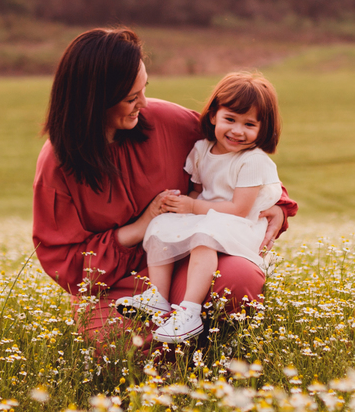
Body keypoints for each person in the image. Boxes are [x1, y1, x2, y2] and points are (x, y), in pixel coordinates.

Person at [32, 28, 297, 343]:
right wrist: (142, 225)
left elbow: (234, 158)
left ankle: (201, 333)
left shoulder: (167, 120)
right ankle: (188, 342)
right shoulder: (57, 165)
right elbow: (65, 262)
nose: (144, 103)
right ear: (95, 100)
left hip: (184, 262)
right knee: (126, 347)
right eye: (132, 97)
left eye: (144, 89)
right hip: (116, 284)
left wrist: (278, 203)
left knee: (237, 280)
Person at [116, 70, 284, 343]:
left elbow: (240, 209)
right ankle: (157, 296)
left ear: (264, 129)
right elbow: (198, 190)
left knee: (204, 238)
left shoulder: (253, 161)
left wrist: (193, 207)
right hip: (211, 217)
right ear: (214, 115)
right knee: (160, 223)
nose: (237, 131)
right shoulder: (202, 150)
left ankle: (190, 311)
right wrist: (180, 207)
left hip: (239, 225)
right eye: (230, 119)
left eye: (249, 125)